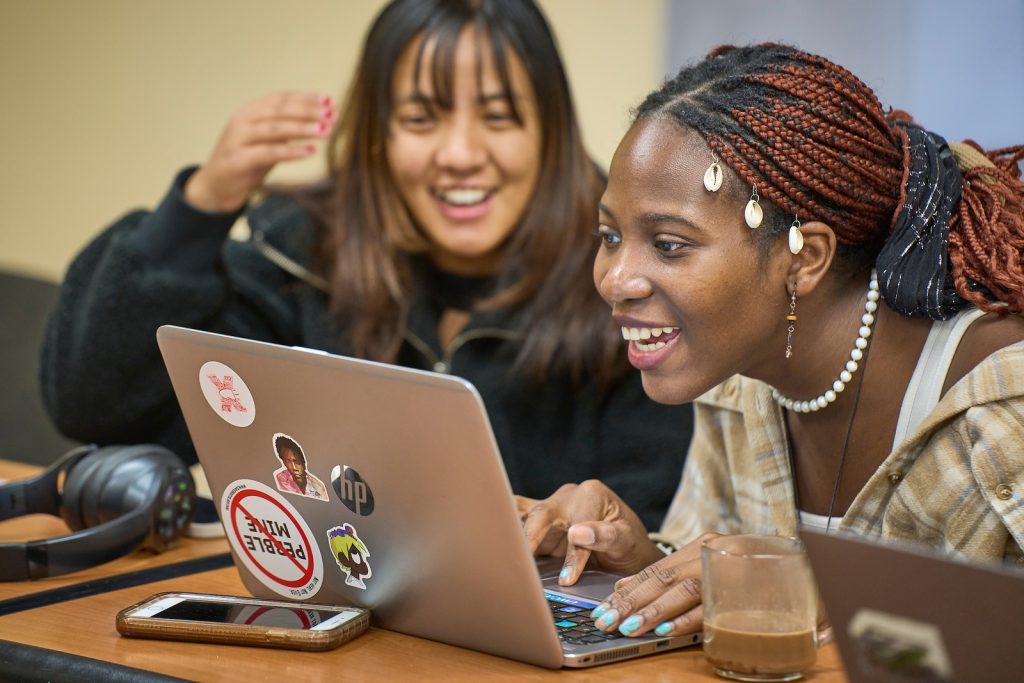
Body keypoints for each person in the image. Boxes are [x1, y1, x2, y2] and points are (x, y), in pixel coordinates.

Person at [39, 0, 693, 530]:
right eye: (421, 117)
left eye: (499, 118)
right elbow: (94, 406)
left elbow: (662, 532)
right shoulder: (299, 259)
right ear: (378, 133)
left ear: (549, 133)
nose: (461, 153)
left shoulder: (629, 290)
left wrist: (606, 533)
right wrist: (197, 210)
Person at [519, 43, 1024, 639]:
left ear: (805, 258)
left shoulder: (998, 408)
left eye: (669, 244)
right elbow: (736, 607)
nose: (615, 281)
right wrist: (642, 570)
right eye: (609, 236)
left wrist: (838, 599)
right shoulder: (736, 375)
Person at [272, 434, 328, 500]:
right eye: (288, 461)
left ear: (303, 461)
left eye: (296, 461)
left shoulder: (318, 487)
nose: (294, 468)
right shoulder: (279, 481)